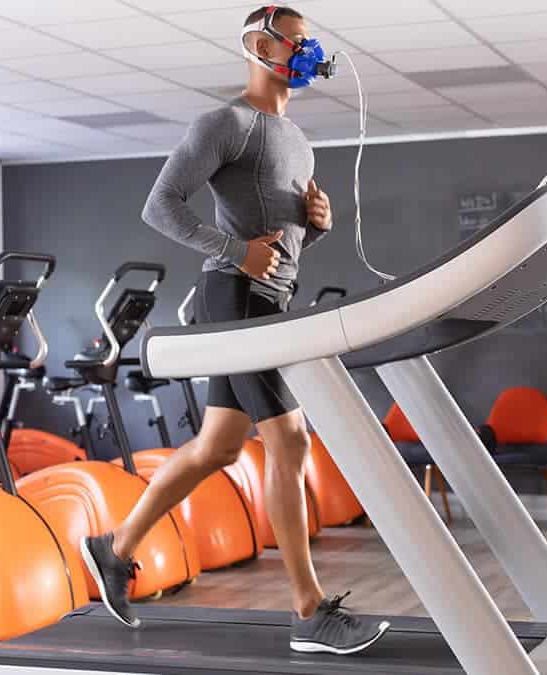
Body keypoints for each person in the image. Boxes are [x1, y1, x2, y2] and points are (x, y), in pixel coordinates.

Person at [80, 4, 391, 657]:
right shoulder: (225, 124)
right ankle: (309, 611)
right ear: (260, 45)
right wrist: (233, 247)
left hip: (272, 295)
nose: (308, 53)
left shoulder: (298, 139)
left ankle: (115, 546)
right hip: (239, 293)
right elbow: (159, 204)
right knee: (291, 437)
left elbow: (287, 226)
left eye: (311, 43)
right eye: (297, 42)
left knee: (219, 445)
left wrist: (318, 220)